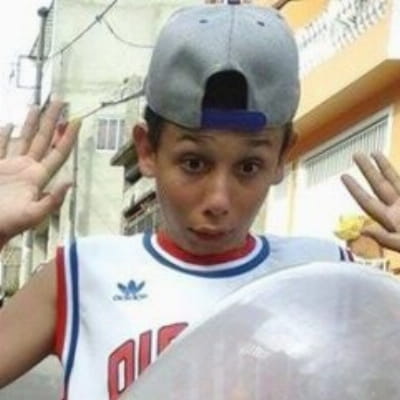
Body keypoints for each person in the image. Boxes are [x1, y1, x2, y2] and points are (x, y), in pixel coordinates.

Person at [0, 2, 400, 399]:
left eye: (248, 166)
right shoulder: (83, 274)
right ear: (147, 150)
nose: (218, 199)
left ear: (282, 157)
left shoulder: (326, 277)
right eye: (194, 163)